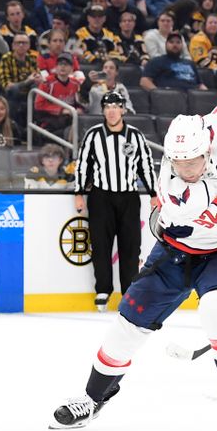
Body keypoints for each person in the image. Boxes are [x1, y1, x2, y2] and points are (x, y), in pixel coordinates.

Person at [51, 0, 217, 431]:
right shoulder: (178, 189)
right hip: (181, 248)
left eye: (193, 160)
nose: (186, 167)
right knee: (128, 324)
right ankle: (93, 397)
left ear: (206, 146)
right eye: (178, 162)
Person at [72, 91, 158, 312]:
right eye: (107, 107)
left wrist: (154, 194)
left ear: (123, 109)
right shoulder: (93, 135)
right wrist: (79, 192)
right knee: (100, 245)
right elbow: (83, 164)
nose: (111, 111)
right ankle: (103, 290)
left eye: (115, 106)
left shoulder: (136, 136)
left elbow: (146, 166)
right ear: (103, 110)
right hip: (101, 197)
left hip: (129, 197)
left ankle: (129, 291)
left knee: (130, 247)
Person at [34, 52, 82, 137]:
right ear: (56, 67)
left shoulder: (76, 84)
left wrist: (79, 109)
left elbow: (79, 102)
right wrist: (61, 110)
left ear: (71, 68)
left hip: (69, 118)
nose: (62, 66)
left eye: (66, 64)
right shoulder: (47, 83)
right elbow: (38, 105)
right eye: (60, 64)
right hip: (50, 120)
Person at [140, 32, 207, 91]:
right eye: (171, 42)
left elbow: (200, 85)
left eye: (178, 42)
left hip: (193, 98)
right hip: (170, 98)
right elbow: (144, 81)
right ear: (166, 44)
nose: (175, 45)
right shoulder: (156, 61)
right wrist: (159, 93)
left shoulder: (190, 63)